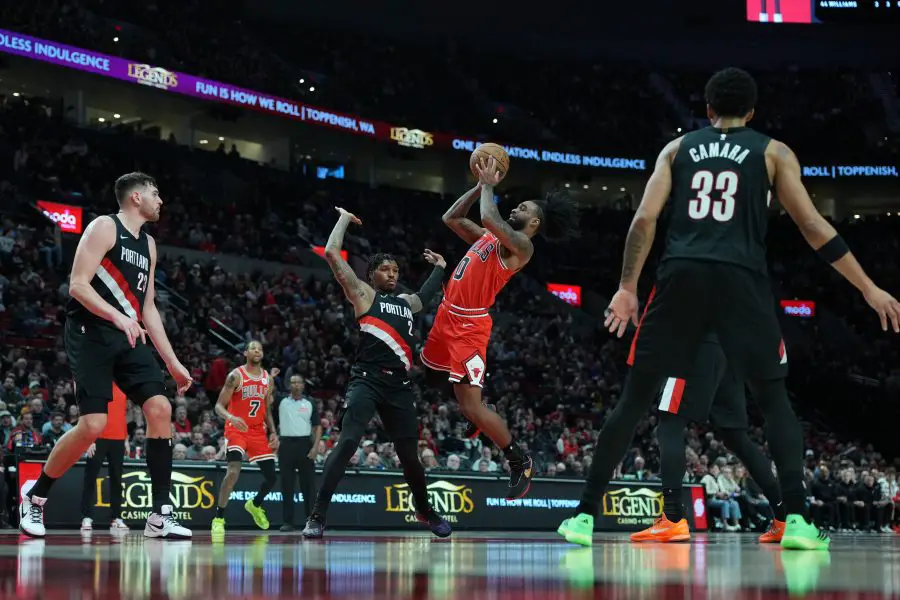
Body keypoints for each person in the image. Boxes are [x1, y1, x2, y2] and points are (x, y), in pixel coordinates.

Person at [558, 67, 900, 551]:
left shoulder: (677, 150)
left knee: (634, 400)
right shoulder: (773, 152)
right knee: (773, 399)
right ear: (753, 112)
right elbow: (812, 225)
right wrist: (868, 287)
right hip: (741, 279)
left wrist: (627, 286)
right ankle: (798, 521)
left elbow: (644, 219)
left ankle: (583, 518)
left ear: (708, 109)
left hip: (681, 276)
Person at [20, 172, 193, 539]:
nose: (160, 200)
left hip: (129, 334)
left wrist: (173, 363)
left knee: (161, 408)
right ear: (135, 197)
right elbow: (77, 285)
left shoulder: (149, 245)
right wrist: (116, 315)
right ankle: (36, 498)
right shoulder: (104, 227)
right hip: (91, 332)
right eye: (155, 192)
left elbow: (147, 309)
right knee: (93, 425)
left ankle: (159, 514)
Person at [421, 159, 577, 500]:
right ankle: (475, 416)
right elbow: (451, 218)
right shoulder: (488, 237)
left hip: (470, 326)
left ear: (533, 221)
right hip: (447, 313)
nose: (515, 207)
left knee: (471, 406)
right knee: (431, 375)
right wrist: (478, 186)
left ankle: (519, 459)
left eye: (522, 207)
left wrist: (489, 184)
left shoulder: (521, 246)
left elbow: (490, 216)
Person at [302, 207, 451, 539]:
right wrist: (343, 219)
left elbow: (426, 296)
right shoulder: (364, 294)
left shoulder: (408, 302)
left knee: (410, 458)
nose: (392, 274)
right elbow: (330, 253)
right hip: (367, 379)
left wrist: (440, 268)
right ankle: (317, 515)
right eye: (385, 269)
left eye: (396, 270)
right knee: (348, 442)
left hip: (398, 386)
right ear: (371, 275)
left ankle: (425, 510)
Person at [629, 336, 787, 544]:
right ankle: (784, 518)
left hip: (695, 343)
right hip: (730, 354)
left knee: (669, 425)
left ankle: (673, 518)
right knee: (736, 438)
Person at [210, 341, 279, 534]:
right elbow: (218, 406)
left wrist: (273, 432)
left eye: (260, 348)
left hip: (258, 431)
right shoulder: (235, 376)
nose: (257, 350)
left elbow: (267, 410)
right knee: (233, 472)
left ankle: (255, 505)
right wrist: (231, 417)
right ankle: (219, 517)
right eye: (253, 348)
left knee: (272, 477)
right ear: (245, 352)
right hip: (236, 429)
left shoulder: (268, 379)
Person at [80, 384, 129, 532]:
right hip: (97, 437)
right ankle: (86, 517)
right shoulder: (95, 386)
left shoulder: (122, 388)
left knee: (117, 479)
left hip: (118, 438)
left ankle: (116, 517)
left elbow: (122, 414)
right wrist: (88, 439)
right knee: (90, 478)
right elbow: (86, 413)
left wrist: (126, 439)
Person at [277, 374, 321, 531]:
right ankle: (288, 522)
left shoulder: (309, 403)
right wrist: (270, 379)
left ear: (303, 385)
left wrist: (315, 447)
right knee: (286, 485)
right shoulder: (281, 401)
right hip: (286, 444)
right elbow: (266, 401)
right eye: (292, 382)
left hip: (305, 444)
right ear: (289, 385)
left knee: (308, 486)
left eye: (298, 382)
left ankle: (311, 521)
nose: (295, 385)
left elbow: (317, 427)